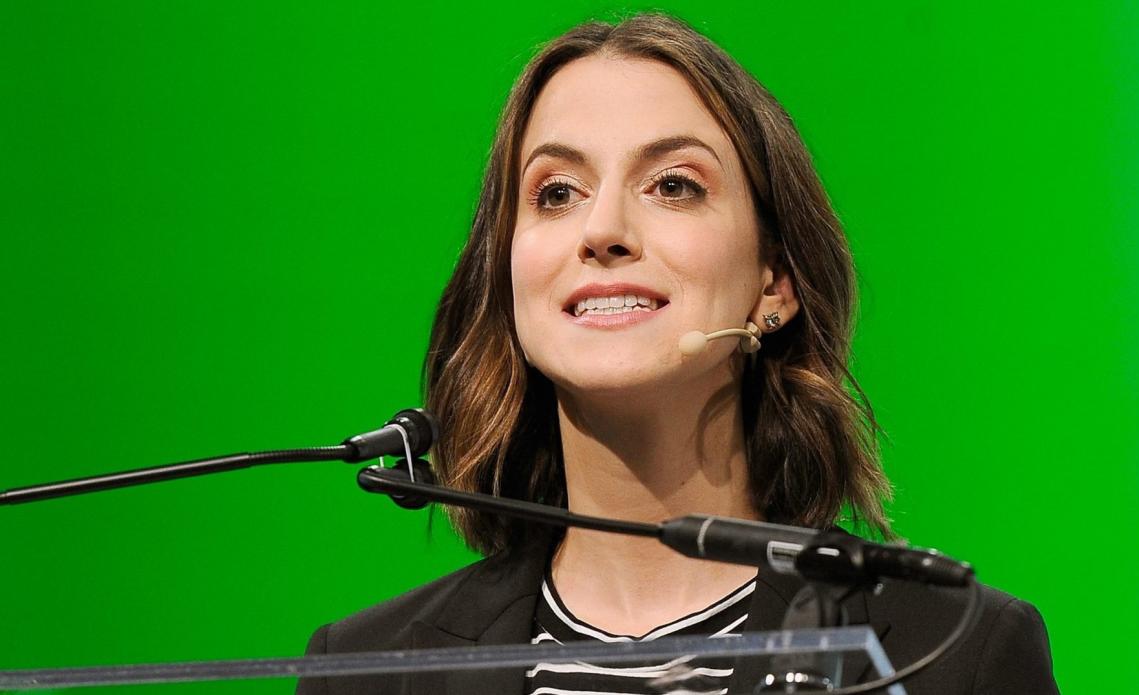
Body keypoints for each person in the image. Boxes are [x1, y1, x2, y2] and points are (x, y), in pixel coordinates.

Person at [297, 12, 1058, 695]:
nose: (602, 230)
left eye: (672, 184)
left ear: (776, 281)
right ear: (506, 273)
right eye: (556, 192)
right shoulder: (365, 669)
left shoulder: (953, 654)